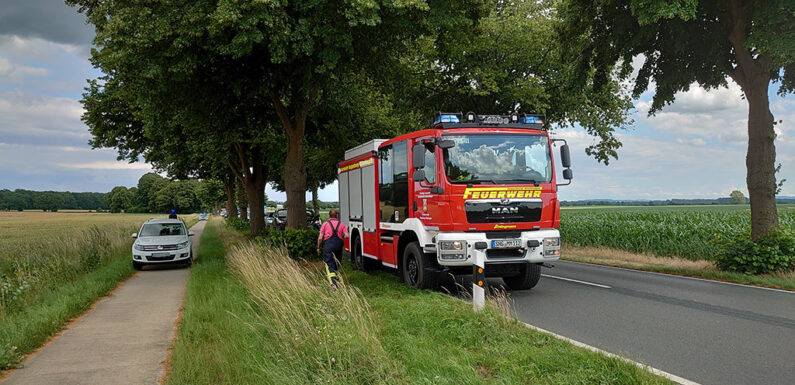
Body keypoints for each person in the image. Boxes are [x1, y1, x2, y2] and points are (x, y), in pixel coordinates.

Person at [317, 209, 349, 286]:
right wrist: (341, 236)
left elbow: (320, 238)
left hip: (328, 246)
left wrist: (318, 247)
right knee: (337, 262)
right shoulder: (341, 224)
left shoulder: (325, 224)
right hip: (338, 245)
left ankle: (333, 284)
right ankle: (336, 278)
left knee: (329, 263)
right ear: (336, 216)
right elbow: (347, 235)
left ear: (329, 215)